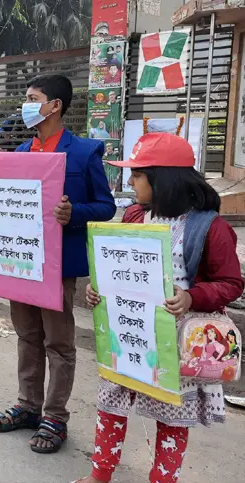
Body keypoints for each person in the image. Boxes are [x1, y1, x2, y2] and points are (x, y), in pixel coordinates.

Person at [75, 133, 244, 483]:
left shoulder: (210, 226)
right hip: (129, 334)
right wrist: (97, 288)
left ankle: (163, 478)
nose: (131, 181)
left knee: (172, 418)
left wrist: (192, 296)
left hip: (174, 343)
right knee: (110, 402)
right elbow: (115, 265)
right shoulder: (136, 215)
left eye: (137, 175)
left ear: (162, 178)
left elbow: (231, 283)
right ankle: (100, 473)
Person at [0, 74, 116, 453]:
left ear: (55, 105)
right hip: (19, 263)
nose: (26, 105)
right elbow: (4, 206)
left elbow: (107, 206)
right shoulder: (18, 155)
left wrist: (73, 213)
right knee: (28, 337)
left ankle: (55, 416)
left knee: (59, 344)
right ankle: (28, 406)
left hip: (58, 267)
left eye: (33, 98)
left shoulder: (84, 152)